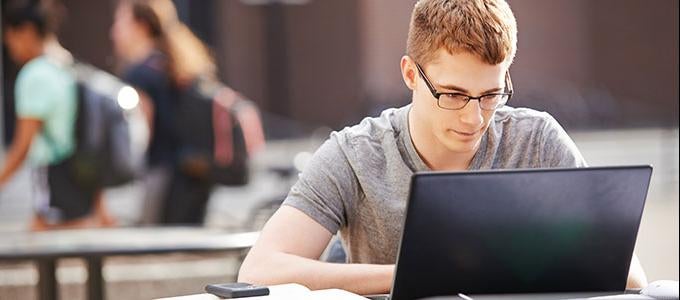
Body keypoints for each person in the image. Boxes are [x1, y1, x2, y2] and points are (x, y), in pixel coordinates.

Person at [237, 0, 648, 294]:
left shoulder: (537, 140)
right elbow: (260, 269)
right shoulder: (355, 154)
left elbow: (628, 275)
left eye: (491, 94)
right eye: (452, 94)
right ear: (411, 75)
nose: (474, 119)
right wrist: (415, 276)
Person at [0, 0, 114, 229]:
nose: (8, 45)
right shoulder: (68, 64)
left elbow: (22, 148)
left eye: (10, 36)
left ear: (27, 32)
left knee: (46, 245)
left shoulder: (35, 74)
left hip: (54, 177)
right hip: (82, 174)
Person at [110, 0, 217, 224]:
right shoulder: (173, 63)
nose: (114, 31)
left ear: (141, 26)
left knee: (153, 246)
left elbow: (140, 133)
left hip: (160, 176)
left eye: (120, 21)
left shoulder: (139, 73)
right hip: (192, 172)